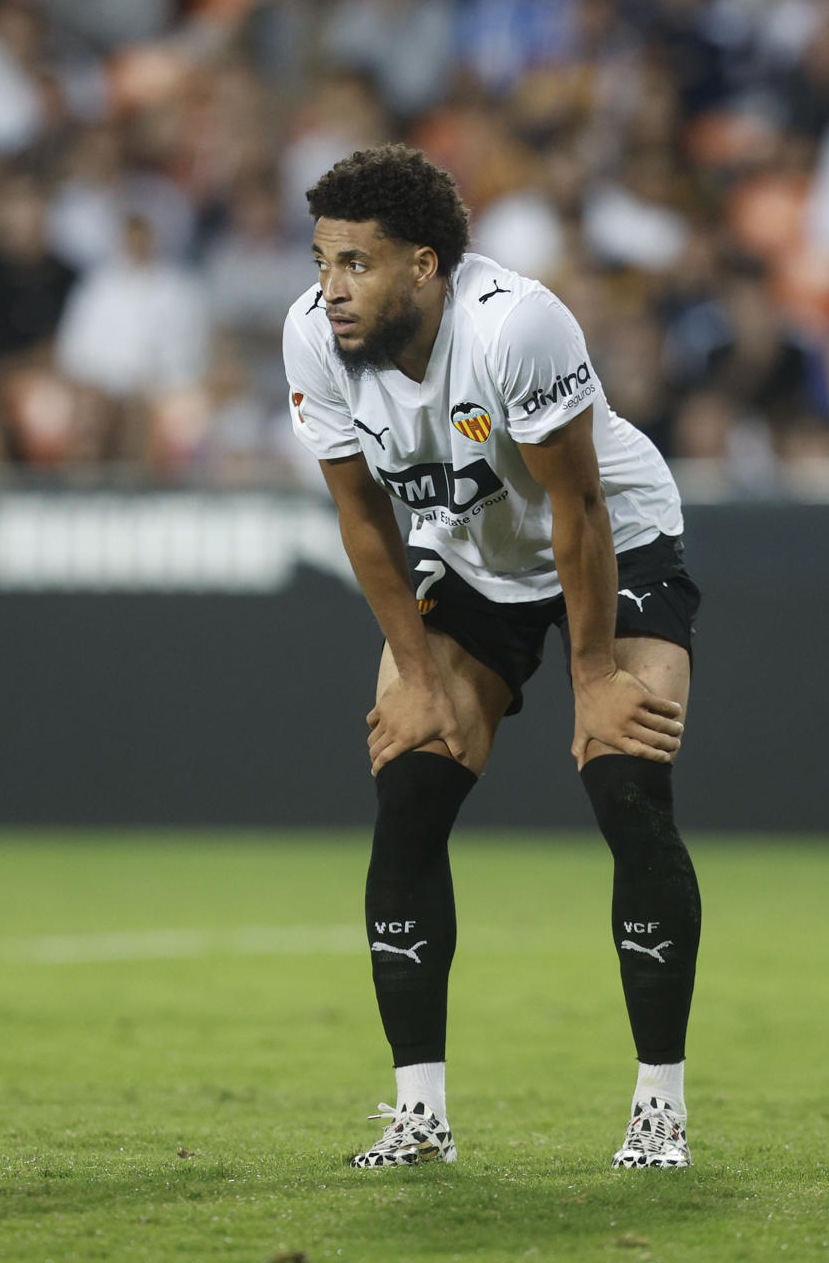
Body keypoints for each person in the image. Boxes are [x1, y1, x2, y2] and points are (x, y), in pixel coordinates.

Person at [282, 145, 703, 1170]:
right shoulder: (313, 339)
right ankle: (419, 1116)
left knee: (626, 783)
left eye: (356, 263)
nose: (332, 288)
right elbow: (363, 520)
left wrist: (593, 676)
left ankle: (660, 1106)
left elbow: (579, 507)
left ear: (424, 264)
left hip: (613, 536)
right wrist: (419, 671)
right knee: (410, 785)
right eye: (323, 261)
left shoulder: (516, 326)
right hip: (471, 555)